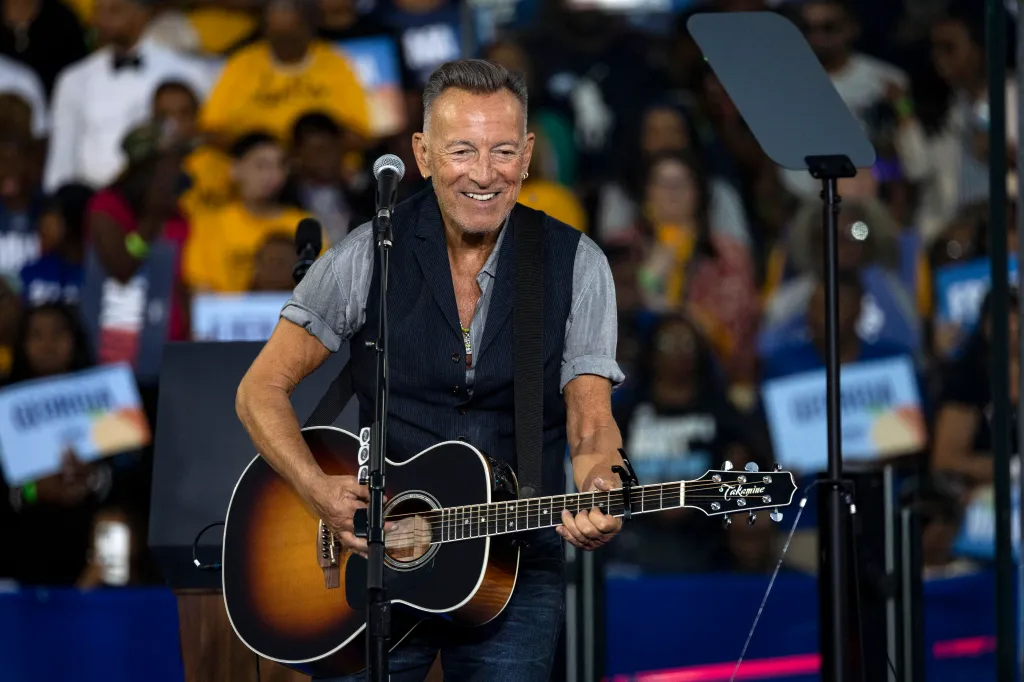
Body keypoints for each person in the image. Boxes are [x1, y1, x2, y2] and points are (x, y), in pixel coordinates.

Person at [235, 59, 626, 681]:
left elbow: (590, 422)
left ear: (527, 155)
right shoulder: (370, 251)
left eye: (502, 151)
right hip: (377, 564)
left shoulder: (576, 264)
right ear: (421, 153)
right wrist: (316, 490)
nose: (483, 173)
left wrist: (603, 483)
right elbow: (260, 389)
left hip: (514, 565)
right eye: (461, 150)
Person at [43, 0, 209, 192]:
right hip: (90, 197)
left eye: (115, 11)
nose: (102, 20)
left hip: (160, 196)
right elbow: (62, 154)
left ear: (143, 15)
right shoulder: (74, 78)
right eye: (99, 11)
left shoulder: (189, 72)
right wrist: (55, 202)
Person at [199, 0, 371, 146]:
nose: (286, 43)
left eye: (292, 35)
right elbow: (212, 130)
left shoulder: (336, 62)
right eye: (279, 35)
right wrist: (257, 149)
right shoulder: (242, 63)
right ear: (265, 32)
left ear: (310, 29)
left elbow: (360, 133)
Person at [183, 132, 312, 293]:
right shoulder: (209, 225)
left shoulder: (304, 225)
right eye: (261, 165)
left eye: (280, 165)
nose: (272, 175)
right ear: (234, 169)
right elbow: (199, 288)